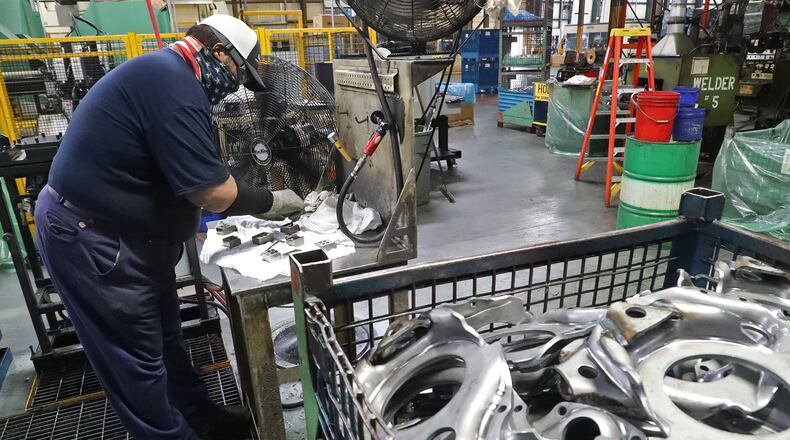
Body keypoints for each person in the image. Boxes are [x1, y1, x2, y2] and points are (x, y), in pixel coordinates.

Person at [34, 14, 302, 440]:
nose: (235, 87)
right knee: (134, 365)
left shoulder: (169, 75)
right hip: (92, 240)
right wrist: (273, 201)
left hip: (134, 243)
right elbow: (213, 192)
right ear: (218, 53)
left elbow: (174, 171)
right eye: (237, 74)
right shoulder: (172, 84)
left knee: (165, 343)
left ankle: (201, 420)